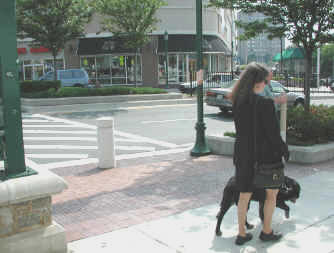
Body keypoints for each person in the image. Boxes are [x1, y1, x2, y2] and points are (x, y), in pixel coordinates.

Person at [230, 62, 289, 246]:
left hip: (242, 154)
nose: (266, 84)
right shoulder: (265, 104)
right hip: (265, 157)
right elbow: (272, 134)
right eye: (265, 80)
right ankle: (266, 231)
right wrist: (284, 150)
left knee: (244, 195)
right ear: (258, 81)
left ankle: (241, 234)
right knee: (271, 194)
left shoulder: (237, 101)